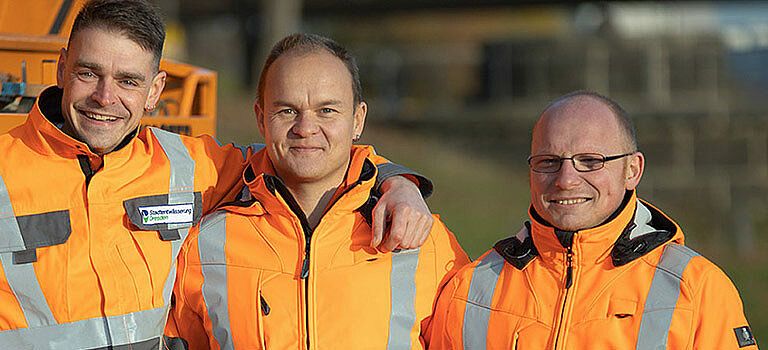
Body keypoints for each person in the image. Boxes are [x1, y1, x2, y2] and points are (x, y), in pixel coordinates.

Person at [0, 1, 436, 348]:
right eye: (88, 73)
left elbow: (305, 154)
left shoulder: (189, 166)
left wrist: (396, 181)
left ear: (154, 91)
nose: (105, 97)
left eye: (129, 81)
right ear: (60, 69)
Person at [167, 33, 470, 349]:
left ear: (357, 120)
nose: (305, 128)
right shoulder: (203, 246)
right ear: (261, 118)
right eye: (287, 110)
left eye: (327, 110)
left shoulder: (424, 240)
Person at [426, 91, 758, 349]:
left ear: (633, 170)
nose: (566, 178)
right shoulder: (470, 289)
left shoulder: (697, 290)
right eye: (548, 161)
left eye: (590, 161)